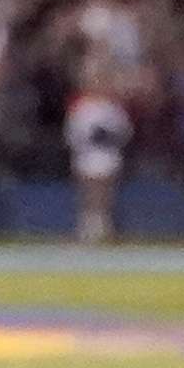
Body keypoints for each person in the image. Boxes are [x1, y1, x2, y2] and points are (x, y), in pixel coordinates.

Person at [64, 78, 131, 245]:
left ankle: (104, 229)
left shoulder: (113, 108)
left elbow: (124, 131)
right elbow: (72, 133)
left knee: (104, 195)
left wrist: (108, 136)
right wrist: (88, 138)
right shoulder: (82, 108)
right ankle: (87, 229)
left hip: (108, 156)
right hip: (87, 155)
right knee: (88, 194)